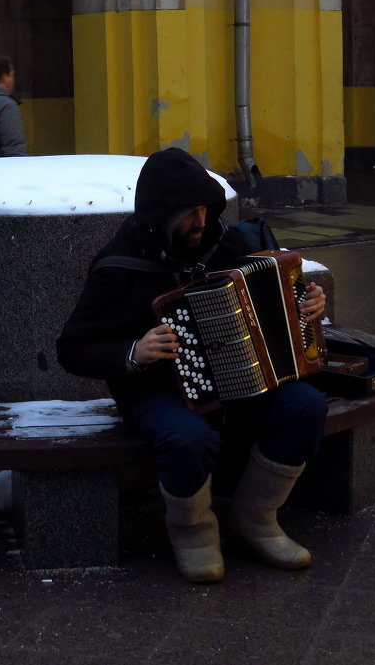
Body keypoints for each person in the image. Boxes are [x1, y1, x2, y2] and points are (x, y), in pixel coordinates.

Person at [56, 148, 329, 583]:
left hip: (240, 379)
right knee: (187, 440)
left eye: (205, 209)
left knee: (306, 407)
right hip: (155, 391)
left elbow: (278, 289)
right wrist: (134, 351)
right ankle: (194, 532)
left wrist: (306, 301)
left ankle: (256, 518)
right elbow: (72, 348)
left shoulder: (224, 243)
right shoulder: (118, 266)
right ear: (160, 214)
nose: (201, 222)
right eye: (189, 214)